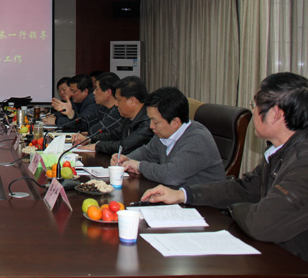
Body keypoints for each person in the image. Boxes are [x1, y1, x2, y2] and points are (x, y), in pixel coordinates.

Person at [141, 72, 308, 262]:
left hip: (293, 263)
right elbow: (243, 188)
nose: (253, 112)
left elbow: (261, 223)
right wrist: (182, 194)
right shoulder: (280, 153)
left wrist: (231, 209)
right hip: (273, 253)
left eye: (254, 106)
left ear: (275, 114)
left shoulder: (303, 163)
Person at [111, 86, 225, 186]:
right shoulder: (164, 134)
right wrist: (127, 159)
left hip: (203, 201)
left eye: (155, 122)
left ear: (175, 122)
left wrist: (139, 166)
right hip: (174, 195)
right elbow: (147, 152)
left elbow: (171, 175)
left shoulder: (197, 139)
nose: (151, 126)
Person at [93, 75, 154, 155]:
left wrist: (97, 146)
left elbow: (124, 146)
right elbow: (114, 135)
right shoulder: (128, 117)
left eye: (119, 100)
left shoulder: (148, 122)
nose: (116, 104)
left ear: (132, 101)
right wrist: (90, 139)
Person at [75, 72, 122, 148]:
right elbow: (87, 122)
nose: (94, 93)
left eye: (96, 89)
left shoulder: (118, 112)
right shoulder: (103, 107)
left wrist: (88, 134)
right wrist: (71, 114)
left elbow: (94, 131)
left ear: (107, 92)